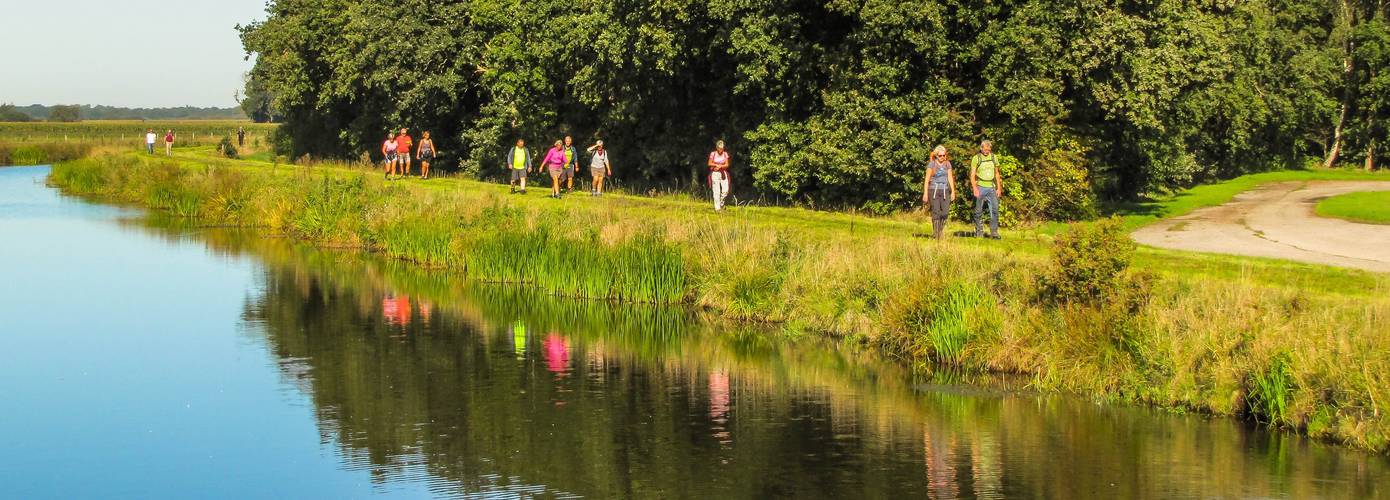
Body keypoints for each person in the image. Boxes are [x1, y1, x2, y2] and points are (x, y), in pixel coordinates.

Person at [921, 145, 957, 240]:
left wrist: (953, 191)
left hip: (945, 190)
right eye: (940, 155)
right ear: (936, 155)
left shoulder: (947, 164)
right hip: (933, 190)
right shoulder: (932, 164)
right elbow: (927, 179)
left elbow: (950, 177)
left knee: (945, 213)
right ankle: (936, 234)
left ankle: (940, 231)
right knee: (936, 211)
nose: (942, 157)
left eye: (944, 155)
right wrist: (925, 193)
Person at [970, 140, 1003, 239]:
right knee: (978, 211)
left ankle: (994, 232)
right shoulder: (976, 158)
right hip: (980, 186)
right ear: (981, 148)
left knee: (995, 209)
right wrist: (975, 188)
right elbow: (972, 175)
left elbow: (997, 173)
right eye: (984, 149)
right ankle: (979, 231)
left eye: (988, 150)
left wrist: (999, 188)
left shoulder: (994, 157)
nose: (986, 151)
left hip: (991, 187)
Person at [707, 140, 731, 211]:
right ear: (717, 148)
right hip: (715, 173)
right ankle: (717, 208)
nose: (721, 150)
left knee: (725, 190)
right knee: (716, 191)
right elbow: (709, 163)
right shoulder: (713, 154)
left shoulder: (725, 154)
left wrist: (720, 166)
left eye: (722, 148)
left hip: (723, 172)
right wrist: (716, 165)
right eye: (720, 148)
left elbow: (727, 164)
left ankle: (721, 204)